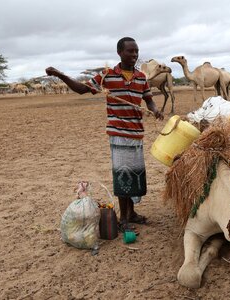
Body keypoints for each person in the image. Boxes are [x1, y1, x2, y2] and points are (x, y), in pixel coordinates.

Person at [45, 37, 164, 232]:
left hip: (136, 135)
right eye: (130, 51)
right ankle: (123, 219)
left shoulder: (141, 77)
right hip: (118, 135)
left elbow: (148, 100)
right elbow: (82, 89)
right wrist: (60, 75)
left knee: (134, 175)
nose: (134, 55)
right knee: (122, 175)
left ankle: (131, 214)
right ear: (119, 52)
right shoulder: (107, 75)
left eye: (136, 51)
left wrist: (155, 109)